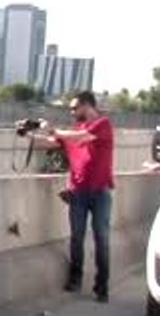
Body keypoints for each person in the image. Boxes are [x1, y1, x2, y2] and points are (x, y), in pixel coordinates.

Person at [32, 91, 116, 302]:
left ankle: (102, 287)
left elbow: (82, 138)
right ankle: (75, 279)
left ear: (87, 106)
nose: (71, 112)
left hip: (100, 193)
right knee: (76, 237)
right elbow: (50, 143)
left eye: (74, 108)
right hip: (77, 193)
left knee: (101, 239)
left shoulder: (102, 124)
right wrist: (28, 135)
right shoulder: (74, 131)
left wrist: (54, 130)